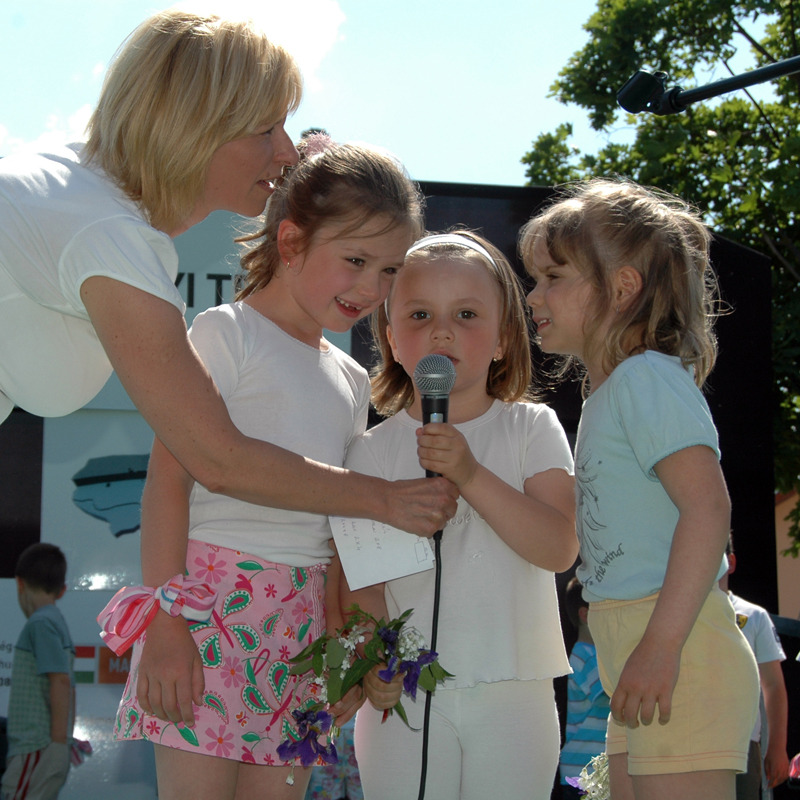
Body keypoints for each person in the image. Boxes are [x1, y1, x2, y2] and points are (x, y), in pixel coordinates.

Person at [0, 8, 455, 540]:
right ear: (191, 127)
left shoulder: (86, 193)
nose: (288, 152)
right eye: (266, 129)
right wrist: (387, 499)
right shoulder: (107, 234)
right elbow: (216, 458)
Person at [103, 137, 426, 800]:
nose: (372, 288)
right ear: (291, 241)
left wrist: (348, 648)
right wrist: (165, 621)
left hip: (302, 634)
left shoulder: (351, 379)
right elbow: (167, 483)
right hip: (204, 617)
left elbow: (337, 530)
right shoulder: (226, 332)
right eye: (356, 260)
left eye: (390, 270)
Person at [520, 178, 761, 800]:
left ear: (623, 287)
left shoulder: (645, 378)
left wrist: (661, 643)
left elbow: (707, 508)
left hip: (679, 650)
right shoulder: (609, 391)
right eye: (535, 278)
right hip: (640, 649)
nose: (533, 295)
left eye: (553, 277)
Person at [340, 231, 578, 800]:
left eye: (466, 314)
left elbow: (559, 547)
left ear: (502, 338)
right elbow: (361, 582)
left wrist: (470, 473)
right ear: (391, 338)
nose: (442, 331)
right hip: (406, 693)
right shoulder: (369, 451)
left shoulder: (532, 428)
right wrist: (372, 657)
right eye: (420, 314)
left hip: (514, 686)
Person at [2, 544, 74, 800]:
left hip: (36, 747)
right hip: (43, 747)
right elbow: (67, 683)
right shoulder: (56, 622)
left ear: (19, 583)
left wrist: (57, 744)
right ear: (62, 590)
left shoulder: (40, 623)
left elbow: (60, 681)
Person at [720, 538, 790, 799]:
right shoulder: (680, 615)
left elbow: (773, 685)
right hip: (689, 742)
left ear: (731, 562)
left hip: (743, 747)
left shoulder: (754, 616)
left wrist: (777, 747)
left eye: (716, 555)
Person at [559, 576, 610, 799]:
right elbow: (610, 693)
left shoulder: (596, 655)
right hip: (582, 773)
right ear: (586, 615)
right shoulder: (584, 655)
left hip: (593, 773)